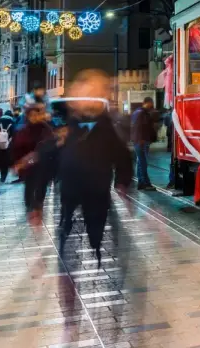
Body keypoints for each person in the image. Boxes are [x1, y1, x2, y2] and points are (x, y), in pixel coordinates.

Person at [58, 69, 133, 266]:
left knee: (96, 225)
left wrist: (122, 182)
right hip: (71, 189)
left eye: (99, 92)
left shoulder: (106, 128)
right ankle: (69, 251)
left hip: (98, 189)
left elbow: (122, 155)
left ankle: (96, 247)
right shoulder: (66, 127)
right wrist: (37, 199)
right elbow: (50, 155)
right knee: (68, 225)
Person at [11, 102, 53, 213]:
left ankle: (38, 207)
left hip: (43, 166)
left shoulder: (46, 129)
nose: (34, 117)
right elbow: (17, 148)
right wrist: (18, 163)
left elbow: (51, 146)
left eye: (36, 115)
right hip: (29, 167)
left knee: (41, 190)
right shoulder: (23, 131)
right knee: (29, 190)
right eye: (31, 115)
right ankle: (30, 208)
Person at [131, 97, 157, 190]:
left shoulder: (138, 112)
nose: (152, 105)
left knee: (140, 162)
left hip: (139, 141)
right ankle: (146, 183)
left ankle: (141, 183)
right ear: (147, 103)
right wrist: (141, 139)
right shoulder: (141, 113)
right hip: (141, 141)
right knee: (143, 162)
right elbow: (139, 127)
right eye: (151, 103)